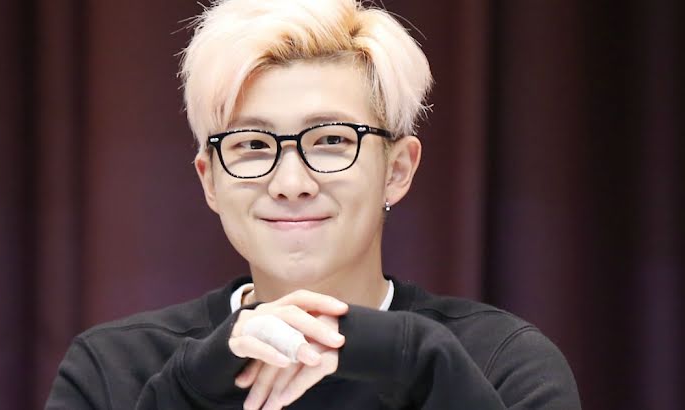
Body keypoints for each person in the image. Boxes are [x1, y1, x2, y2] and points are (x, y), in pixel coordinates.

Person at [46, 0, 581, 408]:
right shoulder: (112, 372)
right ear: (210, 181)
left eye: (330, 141)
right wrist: (185, 392)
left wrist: (419, 362)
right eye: (253, 145)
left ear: (397, 170)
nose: (291, 182)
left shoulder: (503, 363)